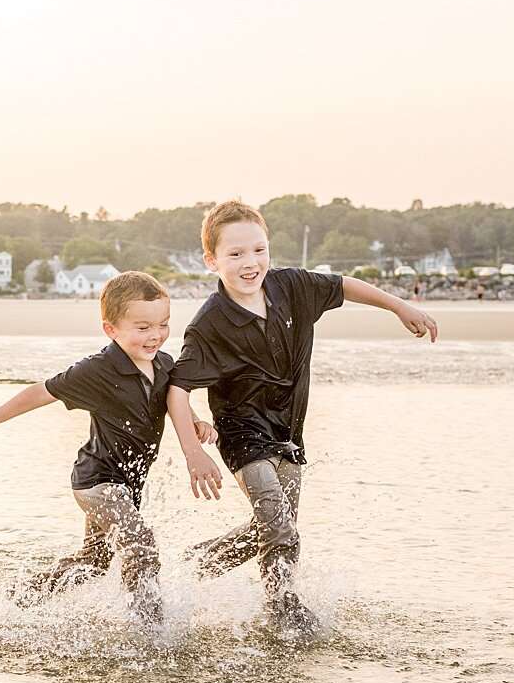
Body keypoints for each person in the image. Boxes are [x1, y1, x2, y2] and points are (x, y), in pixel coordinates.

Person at [166, 200, 440, 637]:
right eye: (235, 255)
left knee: (275, 527)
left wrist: (398, 306)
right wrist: (194, 452)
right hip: (243, 437)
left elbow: (344, 285)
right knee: (278, 523)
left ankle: (193, 567)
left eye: (258, 249)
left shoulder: (291, 286)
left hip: (289, 434)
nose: (250, 263)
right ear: (212, 260)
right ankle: (283, 608)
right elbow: (177, 387)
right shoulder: (209, 325)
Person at [0, 271, 214, 625]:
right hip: (96, 482)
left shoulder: (164, 364)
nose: (155, 335)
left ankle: (19, 599)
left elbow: (174, 400)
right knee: (141, 546)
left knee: (93, 563)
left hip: (126, 485)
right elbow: (41, 391)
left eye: (163, 325)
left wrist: (196, 420)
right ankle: (149, 633)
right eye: (142, 327)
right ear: (111, 329)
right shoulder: (97, 370)